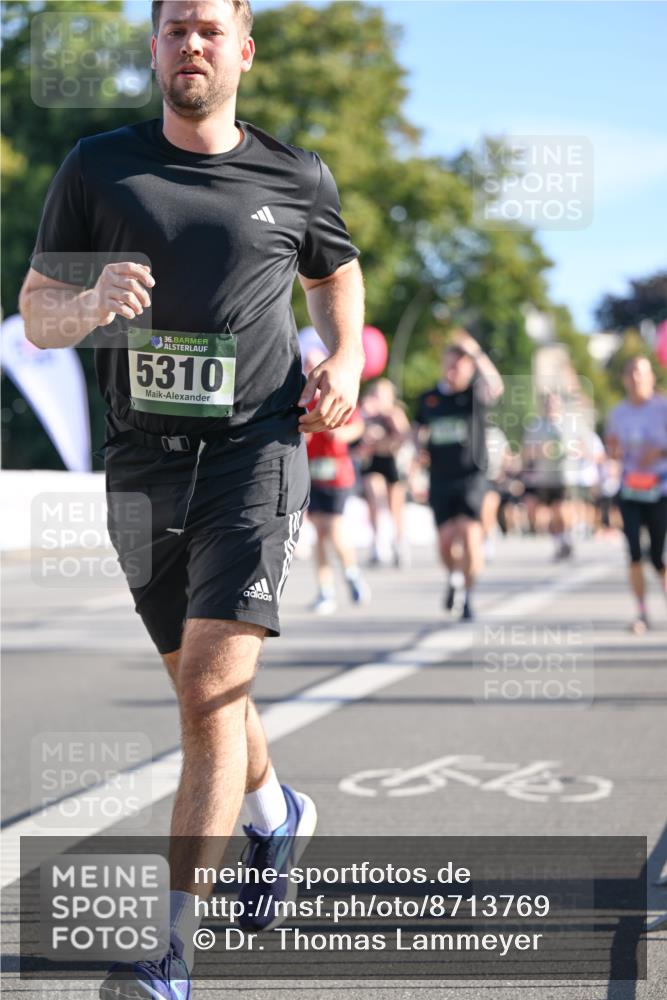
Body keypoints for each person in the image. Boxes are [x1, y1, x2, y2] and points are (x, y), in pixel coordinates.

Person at [19, 2, 365, 997]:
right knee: (200, 687)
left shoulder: (294, 174)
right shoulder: (98, 167)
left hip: (255, 455)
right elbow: (36, 311)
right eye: (175, 29)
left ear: (242, 51)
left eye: (210, 29)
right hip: (140, 465)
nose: (192, 45)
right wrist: (88, 304)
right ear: (155, 47)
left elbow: (335, 274)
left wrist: (344, 357)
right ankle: (275, 814)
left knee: (212, 690)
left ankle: (170, 948)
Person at [415, 330, 504, 621]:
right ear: (444, 364)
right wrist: (418, 451)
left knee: (469, 536)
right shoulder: (429, 398)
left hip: (472, 476)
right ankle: (454, 578)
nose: (455, 369)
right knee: (445, 541)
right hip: (440, 477)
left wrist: (476, 352)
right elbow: (418, 430)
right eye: (452, 363)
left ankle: (467, 595)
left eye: (462, 364)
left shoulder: (474, 395)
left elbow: (496, 386)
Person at [303, 348, 370, 613]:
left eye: (315, 364)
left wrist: (339, 432)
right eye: (307, 365)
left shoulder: (338, 393)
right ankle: (325, 590)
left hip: (337, 473)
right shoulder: (300, 399)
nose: (311, 370)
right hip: (312, 472)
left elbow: (357, 426)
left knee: (332, 526)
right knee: (319, 533)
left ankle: (351, 573)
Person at [605, 356, 667, 634]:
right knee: (633, 554)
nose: (635, 378)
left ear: (651, 377)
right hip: (630, 489)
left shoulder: (662, 408)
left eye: (640, 372)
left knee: (657, 556)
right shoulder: (617, 413)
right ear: (624, 379)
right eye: (630, 373)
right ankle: (641, 612)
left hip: (661, 489)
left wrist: (660, 451)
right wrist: (613, 451)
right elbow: (612, 450)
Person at [356, 378, 412, 566]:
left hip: (392, 461)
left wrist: (385, 437)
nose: (377, 399)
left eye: (381, 395)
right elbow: (358, 440)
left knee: (395, 505)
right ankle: (378, 542)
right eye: (375, 394)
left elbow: (403, 436)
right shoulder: (366, 414)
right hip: (373, 461)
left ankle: (399, 542)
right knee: (375, 497)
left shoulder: (394, 414)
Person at [521, 392, 577, 560]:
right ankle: (560, 543)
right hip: (544, 476)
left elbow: (582, 446)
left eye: (554, 403)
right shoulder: (535, 426)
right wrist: (540, 450)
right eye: (548, 403)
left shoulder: (569, 425)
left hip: (564, 475)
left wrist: (566, 450)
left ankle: (567, 536)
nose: (551, 406)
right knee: (550, 513)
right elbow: (526, 452)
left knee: (561, 510)